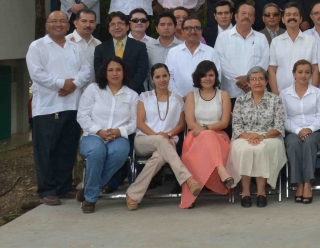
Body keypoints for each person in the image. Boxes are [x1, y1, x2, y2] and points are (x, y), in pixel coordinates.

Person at [27, 11, 92, 206]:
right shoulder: (37, 46)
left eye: (62, 21)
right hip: (47, 107)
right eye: (54, 21)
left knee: (67, 148)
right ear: (47, 25)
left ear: (68, 25)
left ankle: (64, 186)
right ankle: (47, 190)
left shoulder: (75, 46)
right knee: (46, 150)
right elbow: (37, 74)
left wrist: (73, 84)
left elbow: (86, 70)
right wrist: (60, 83)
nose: (58, 24)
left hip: (73, 105)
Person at [125, 64, 201, 210]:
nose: (162, 80)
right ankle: (187, 178)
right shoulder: (144, 97)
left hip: (168, 141)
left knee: (159, 158)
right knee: (161, 143)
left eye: (164, 76)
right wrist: (157, 136)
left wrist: (168, 134)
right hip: (144, 141)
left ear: (169, 77)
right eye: (158, 77)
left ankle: (133, 193)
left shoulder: (178, 99)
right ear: (152, 79)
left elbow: (181, 124)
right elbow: (140, 123)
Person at [76, 57, 138, 213]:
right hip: (93, 135)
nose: (114, 73)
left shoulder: (132, 95)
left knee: (120, 153)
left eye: (118, 70)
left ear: (124, 73)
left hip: (119, 137)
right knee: (97, 152)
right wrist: (98, 131)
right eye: (110, 70)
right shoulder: (93, 89)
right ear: (105, 72)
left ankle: (90, 188)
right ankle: (91, 199)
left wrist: (120, 132)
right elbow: (82, 115)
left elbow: (135, 122)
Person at [229, 66, 287, 208]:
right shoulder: (240, 100)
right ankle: (246, 192)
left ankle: (262, 191)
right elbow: (236, 125)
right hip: (244, 136)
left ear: (267, 81)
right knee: (244, 150)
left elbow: (279, 126)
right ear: (248, 83)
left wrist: (263, 136)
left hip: (270, 136)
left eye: (261, 78)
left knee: (261, 150)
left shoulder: (275, 100)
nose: (257, 82)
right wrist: (249, 136)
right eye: (253, 79)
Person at [180, 61, 233, 208]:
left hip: (219, 137)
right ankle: (221, 170)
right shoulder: (191, 96)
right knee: (207, 137)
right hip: (195, 138)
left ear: (216, 77)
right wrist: (207, 132)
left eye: (211, 75)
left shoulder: (224, 95)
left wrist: (208, 130)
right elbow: (190, 124)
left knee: (209, 136)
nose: (208, 78)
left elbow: (224, 123)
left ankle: (195, 190)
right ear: (198, 78)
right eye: (204, 75)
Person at [281, 60, 320, 204]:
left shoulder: (318, 93)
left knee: (309, 142)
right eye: (300, 72)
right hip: (292, 131)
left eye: (307, 72)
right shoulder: (284, 94)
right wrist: (298, 130)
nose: (303, 75)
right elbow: (284, 118)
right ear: (294, 74)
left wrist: (309, 129)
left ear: (311, 75)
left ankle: (307, 183)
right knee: (293, 144)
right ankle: (298, 183)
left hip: (316, 131)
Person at [216, 4, 270, 103]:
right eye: (243, 13)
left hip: (256, 92)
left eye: (250, 14)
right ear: (236, 17)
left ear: (254, 19)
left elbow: (265, 61)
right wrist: (241, 81)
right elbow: (220, 62)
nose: (246, 16)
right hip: (230, 92)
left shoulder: (261, 37)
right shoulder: (223, 37)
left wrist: (250, 80)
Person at [267, 2, 318, 94]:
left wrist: (313, 92)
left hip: (307, 93)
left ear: (300, 19)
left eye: (295, 14)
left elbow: (315, 68)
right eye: (288, 15)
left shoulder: (311, 40)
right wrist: (275, 93)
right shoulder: (276, 42)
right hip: (282, 93)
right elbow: (272, 69)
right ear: (282, 19)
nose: (292, 17)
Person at [165, 16, 221, 97]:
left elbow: (217, 77)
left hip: (206, 100)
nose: (193, 31)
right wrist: (180, 97)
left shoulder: (211, 52)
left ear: (201, 31)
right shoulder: (173, 52)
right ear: (182, 32)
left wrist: (204, 98)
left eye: (197, 28)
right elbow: (169, 77)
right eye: (188, 28)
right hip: (179, 101)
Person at [95, 11, 149, 94]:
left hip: (134, 93)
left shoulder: (140, 46)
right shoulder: (100, 48)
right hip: (108, 94)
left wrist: (127, 90)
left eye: (120, 23)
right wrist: (112, 89)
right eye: (112, 24)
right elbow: (99, 72)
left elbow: (142, 71)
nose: (117, 27)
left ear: (127, 26)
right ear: (109, 29)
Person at [145, 12, 183, 87]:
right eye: (162, 25)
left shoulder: (183, 47)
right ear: (156, 28)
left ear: (175, 27)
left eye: (169, 24)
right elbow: (146, 73)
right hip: (154, 93)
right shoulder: (148, 47)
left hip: (178, 93)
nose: (166, 27)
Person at [66, 9, 102, 83]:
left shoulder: (98, 44)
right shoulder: (66, 42)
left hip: (93, 90)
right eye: (84, 21)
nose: (88, 25)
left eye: (91, 22)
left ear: (95, 25)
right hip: (72, 89)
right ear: (76, 23)